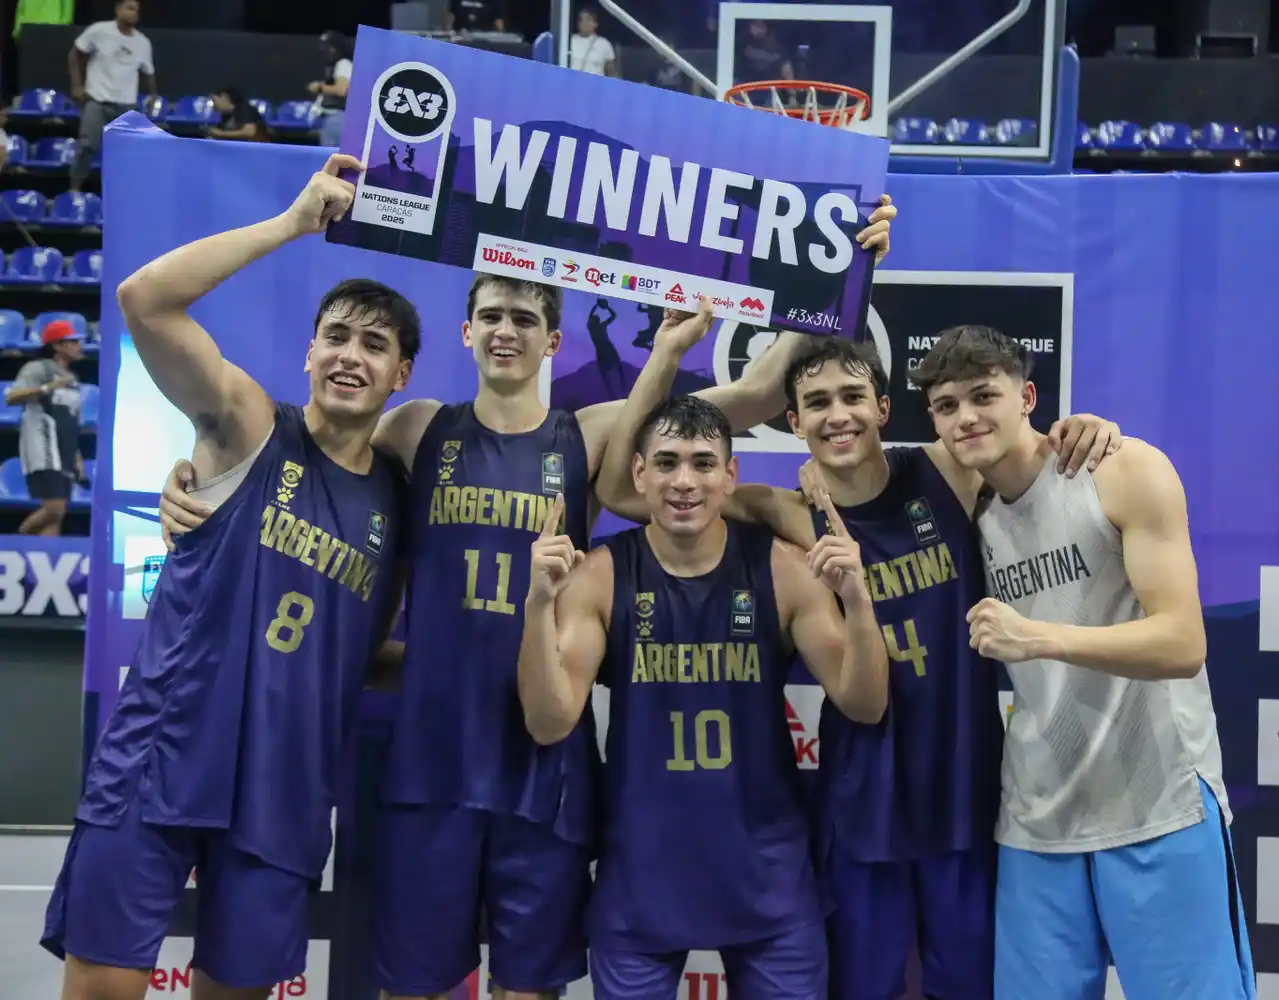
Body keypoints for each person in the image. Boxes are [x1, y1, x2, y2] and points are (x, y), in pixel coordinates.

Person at [155, 203, 898, 1000]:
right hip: (431, 763)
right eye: (491, 316)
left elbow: (753, 391)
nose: (505, 330)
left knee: (527, 990)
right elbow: (309, 447)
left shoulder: (591, 434)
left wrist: (845, 270)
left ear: (552, 341)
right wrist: (202, 474)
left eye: (524, 318)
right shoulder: (415, 428)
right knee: (413, 988)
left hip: (544, 767)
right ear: (467, 331)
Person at [594, 330, 1121, 1000]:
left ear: (883, 407)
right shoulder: (789, 512)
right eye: (816, 402)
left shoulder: (946, 471)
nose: (836, 414)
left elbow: (1021, 446)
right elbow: (623, 488)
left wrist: (1085, 429)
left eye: (851, 396)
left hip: (965, 789)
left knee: (968, 987)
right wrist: (681, 360)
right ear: (793, 422)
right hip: (861, 798)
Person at [40, 153, 418, 1000]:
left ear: (402, 376)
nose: (350, 356)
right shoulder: (248, 422)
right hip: (162, 754)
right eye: (336, 336)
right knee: (101, 988)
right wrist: (289, 224)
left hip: (284, 786)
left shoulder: (396, 503)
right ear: (310, 352)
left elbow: (361, 656)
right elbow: (144, 299)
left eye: (375, 344)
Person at [911, 325, 1253, 1000]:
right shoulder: (963, 505)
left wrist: (1039, 638)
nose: (966, 417)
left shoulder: (1120, 471)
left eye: (984, 396)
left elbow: (1183, 643)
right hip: (1037, 817)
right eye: (947, 406)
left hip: (1158, 800)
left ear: (1027, 397)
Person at [518, 386, 890, 1000]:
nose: (684, 481)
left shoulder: (782, 568)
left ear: (730, 476)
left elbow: (865, 703)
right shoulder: (601, 575)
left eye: (703, 463)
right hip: (640, 878)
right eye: (666, 463)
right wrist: (537, 605)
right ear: (640, 474)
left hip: (768, 878)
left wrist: (857, 598)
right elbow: (548, 721)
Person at [6, 320, 86, 536]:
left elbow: (71, 421)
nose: (79, 346)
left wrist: (77, 455)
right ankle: (12, 544)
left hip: (64, 450)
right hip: (43, 447)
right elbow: (12, 397)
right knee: (54, 508)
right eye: (73, 341)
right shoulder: (36, 368)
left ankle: (44, 552)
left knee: (58, 515)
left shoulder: (73, 379)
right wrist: (47, 388)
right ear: (57, 345)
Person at [67, 0, 156, 192]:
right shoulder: (99, 30)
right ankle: (74, 189)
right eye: (129, 8)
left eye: (137, 10)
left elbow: (149, 73)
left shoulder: (142, 42)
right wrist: (76, 85)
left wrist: (153, 95)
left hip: (126, 106)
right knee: (87, 146)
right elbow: (74, 54)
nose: (134, 13)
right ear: (118, 10)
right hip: (97, 100)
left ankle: (122, 193)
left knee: (126, 152)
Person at [309, 31, 353, 148]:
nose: (327, 51)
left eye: (329, 47)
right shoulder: (334, 66)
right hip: (330, 117)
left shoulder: (343, 64)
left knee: (330, 154)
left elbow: (342, 90)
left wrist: (319, 87)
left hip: (337, 117)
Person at [569, 8, 617, 78]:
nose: (584, 22)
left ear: (595, 24)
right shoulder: (569, 41)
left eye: (588, 19)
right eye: (581, 19)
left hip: (596, 84)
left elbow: (612, 72)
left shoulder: (604, 44)